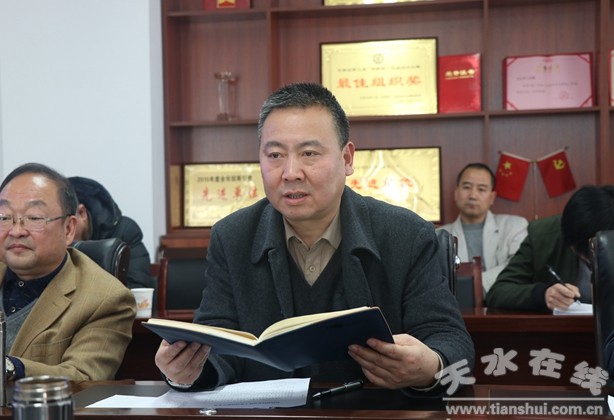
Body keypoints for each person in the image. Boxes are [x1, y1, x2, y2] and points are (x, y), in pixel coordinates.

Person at [155, 82, 474, 396]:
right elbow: (215, 344)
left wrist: (429, 366)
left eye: (309, 153)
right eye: (275, 155)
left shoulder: (406, 234)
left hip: (373, 413)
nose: (291, 172)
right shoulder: (232, 236)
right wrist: (186, 371)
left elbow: (451, 342)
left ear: (347, 159)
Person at [0, 163, 136, 381]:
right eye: (5, 217)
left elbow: (84, 378)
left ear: (69, 229)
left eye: (34, 218)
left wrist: (6, 367)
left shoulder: (106, 299)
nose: (16, 231)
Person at [486, 185, 614, 312]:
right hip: (568, 323)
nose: (590, 260)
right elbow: (498, 292)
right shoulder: (544, 236)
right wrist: (543, 294)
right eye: (585, 255)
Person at [439, 163, 528, 292]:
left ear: (492, 197)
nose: (473, 195)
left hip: (504, 300)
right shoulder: (440, 235)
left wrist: (475, 284)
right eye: (466, 187)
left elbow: (518, 266)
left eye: (481, 189)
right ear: (456, 193)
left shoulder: (515, 226)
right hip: (457, 302)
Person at [68, 176, 153, 290]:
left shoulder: (125, 231)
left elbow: (137, 287)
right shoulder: (54, 237)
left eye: (66, 224)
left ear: (82, 213)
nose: (64, 232)